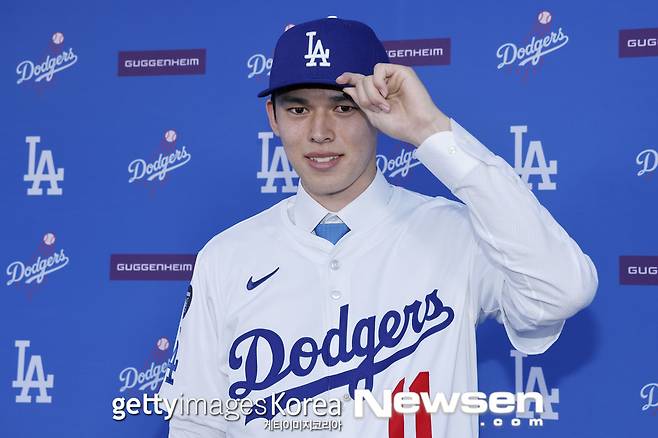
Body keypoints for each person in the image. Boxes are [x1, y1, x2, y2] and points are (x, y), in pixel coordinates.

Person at [159, 16, 598, 437]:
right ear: (273, 117)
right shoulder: (226, 256)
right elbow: (197, 422)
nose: (319, 132)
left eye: (343, 107)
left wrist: (430, 130)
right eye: (298, 109)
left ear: (379, 109)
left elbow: (563, 290)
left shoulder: (457, 234)